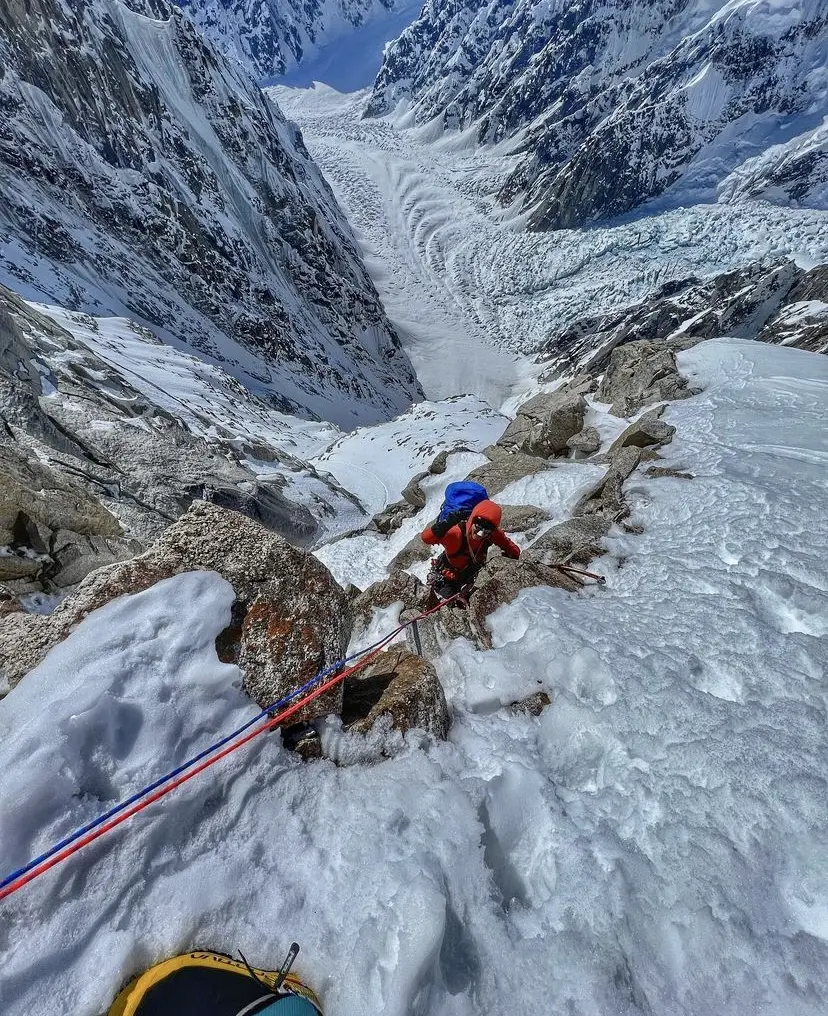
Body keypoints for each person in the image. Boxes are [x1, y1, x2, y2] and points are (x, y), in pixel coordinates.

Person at [421, 499, 520, 602]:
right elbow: (426, 538)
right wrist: (446, 524)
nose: (480, 534)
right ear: (472, 520)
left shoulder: (493, 533)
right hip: (448, 578)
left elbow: (512, 549)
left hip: (471, 573)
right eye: (478, 527)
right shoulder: (455, 533)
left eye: (486, 531)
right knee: (451, 603)